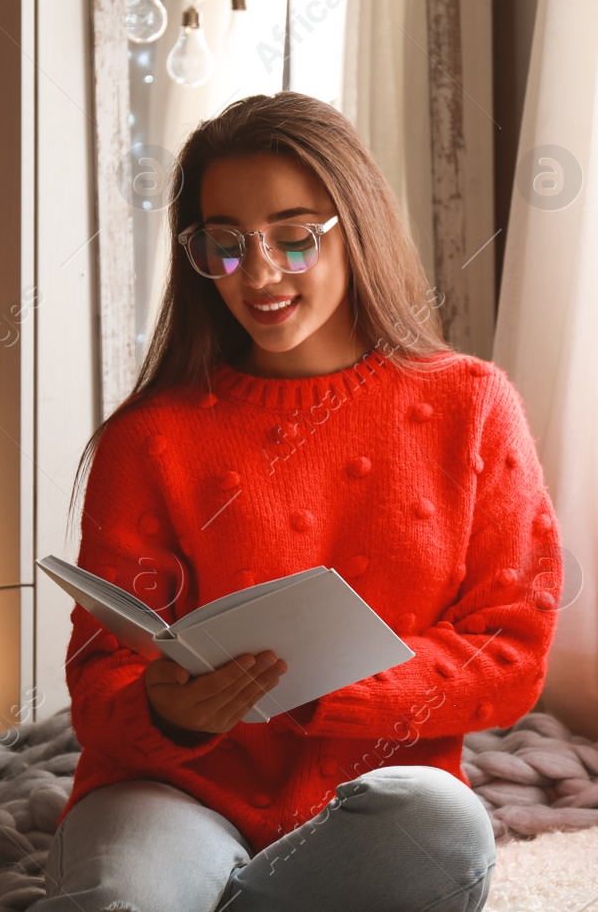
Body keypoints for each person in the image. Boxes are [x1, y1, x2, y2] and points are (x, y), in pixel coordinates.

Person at [35, 92, 563, 912]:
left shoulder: (473, 405)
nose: (262, 272)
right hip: (170, 791)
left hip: (372, 804)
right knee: (123, 897)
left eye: (294, 236)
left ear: (357, 227)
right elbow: (101, 679)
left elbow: (512, 654)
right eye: (227, 243)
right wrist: (165, 711)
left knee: (442, 822)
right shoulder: (152, 436)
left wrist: (327, 689)